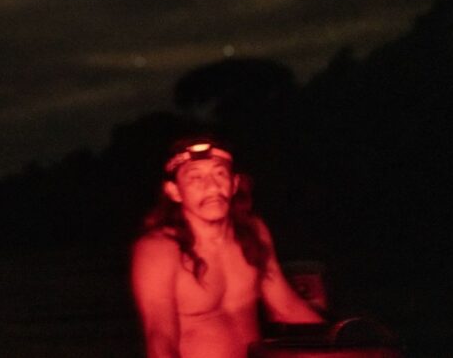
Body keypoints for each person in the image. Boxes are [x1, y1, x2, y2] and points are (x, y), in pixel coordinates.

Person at [131, 136, 324, 358]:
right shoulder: (158, 249)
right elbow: (160, 338)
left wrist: (342, 343)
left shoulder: (253, 232)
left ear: (234, 183)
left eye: (220, 173)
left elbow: (285, 307)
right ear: (174, 192)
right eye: (195, 177)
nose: (212, 187)